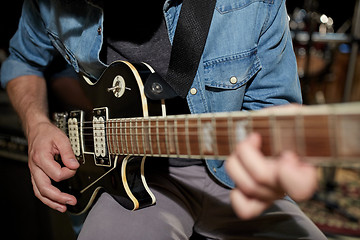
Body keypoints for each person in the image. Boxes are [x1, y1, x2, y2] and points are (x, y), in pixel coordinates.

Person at [0, 0, 327, 239]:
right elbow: (22, 61)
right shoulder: (50, 4)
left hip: (231, 174)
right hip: (128, 183)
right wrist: (36, 125)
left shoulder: (250, 4)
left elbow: (273, 111)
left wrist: (273, 164)